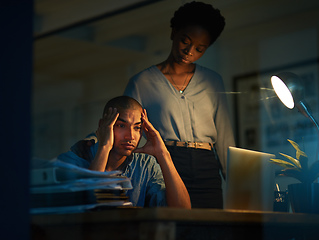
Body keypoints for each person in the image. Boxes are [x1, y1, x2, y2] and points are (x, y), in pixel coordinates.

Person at [123, 1, 235, 208]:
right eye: (185, 41)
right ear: (174, 32)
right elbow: (127, 131)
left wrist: (239, 187)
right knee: (172, 227)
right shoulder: (142, 82)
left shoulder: (213, 81)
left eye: (200, 49)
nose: (189, 51)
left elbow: (225, 138)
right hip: (165, 164)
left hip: (206, 167)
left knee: (210, 228)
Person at [58, 96, 191, 209]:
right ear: (103, 125)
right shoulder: (75, 158)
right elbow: (90, 206)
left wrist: (163, 155)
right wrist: (105, 146)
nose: (131, 136)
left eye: (137, 128)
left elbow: (182, 210)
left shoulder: (145, 165)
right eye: (121, 126)